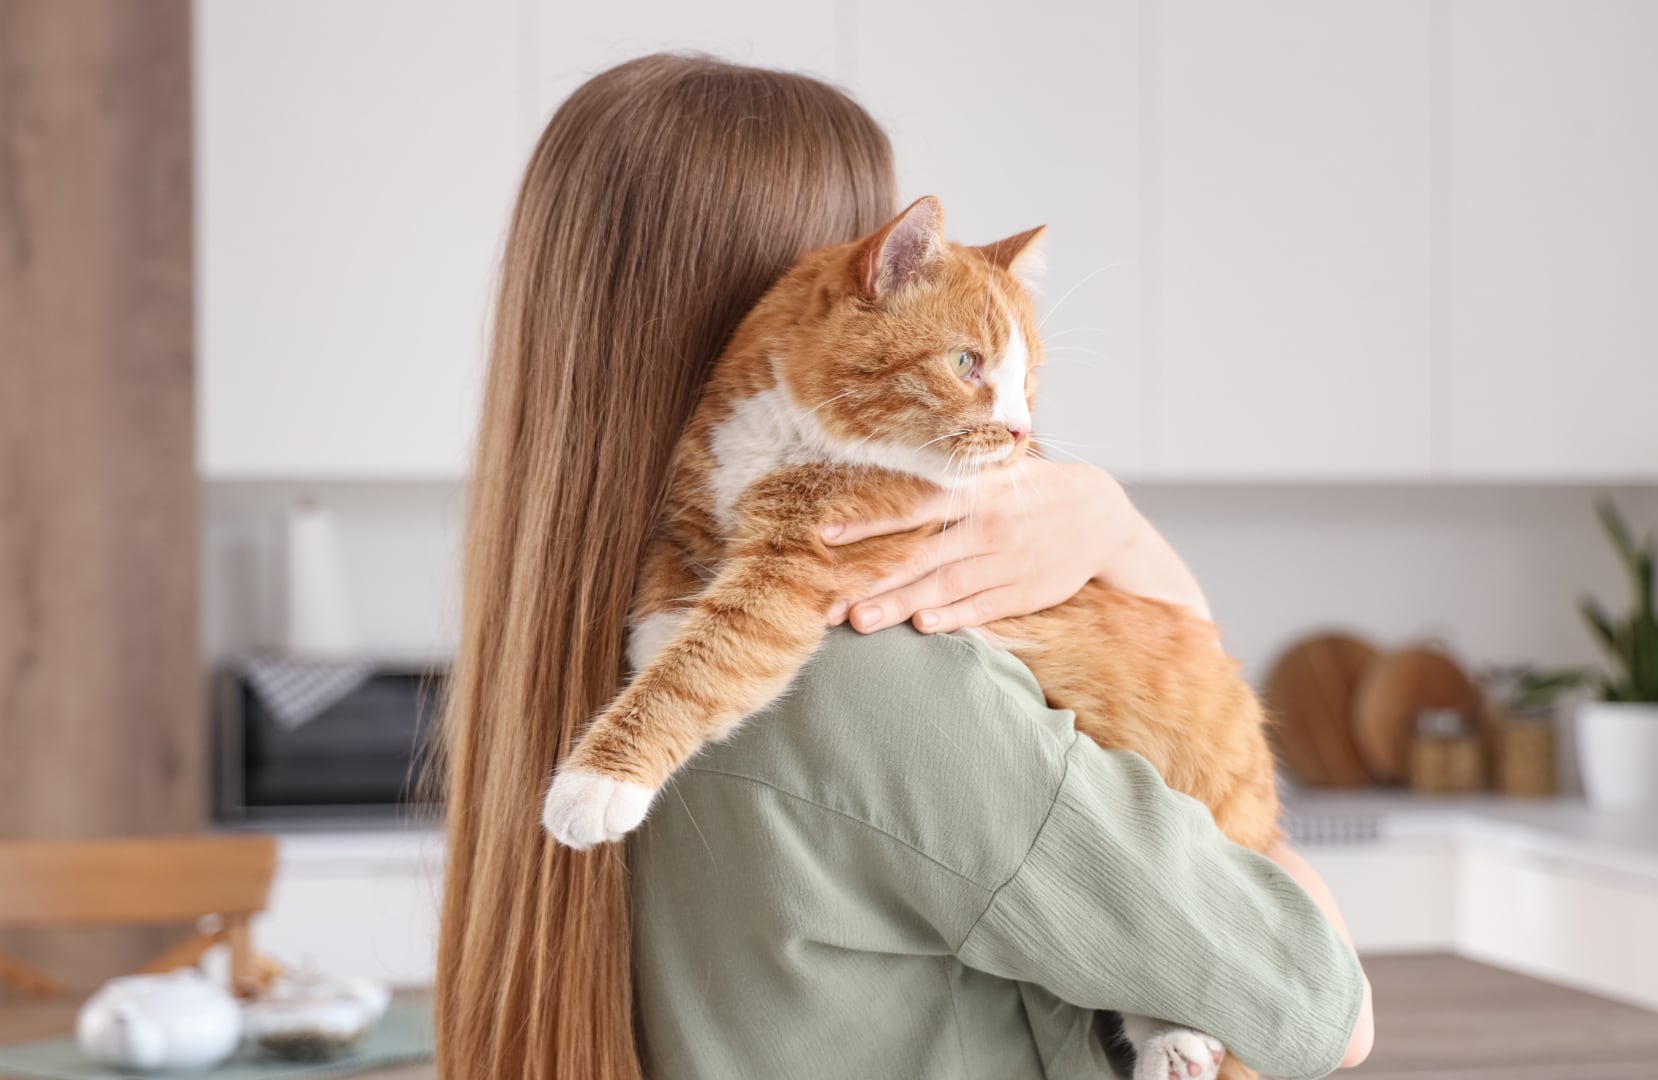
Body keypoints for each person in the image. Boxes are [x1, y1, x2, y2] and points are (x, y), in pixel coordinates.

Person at [436, 54, 1374, 1080]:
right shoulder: (888, 674)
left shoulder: (569, 646)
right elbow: (1319, 1007)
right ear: (846, 282)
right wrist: (1137, 552)